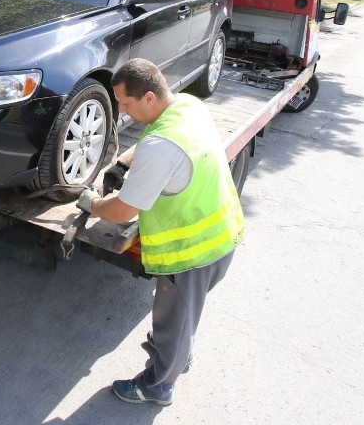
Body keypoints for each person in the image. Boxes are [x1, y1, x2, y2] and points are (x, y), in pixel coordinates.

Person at [76, 58, 245, 406]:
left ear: (149, 97)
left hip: (192, 252)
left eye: (125, 103)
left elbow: (122, 211)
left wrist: (92, 203)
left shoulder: (161, 146)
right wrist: (123, 162)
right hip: (223, 233)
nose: (120, 110)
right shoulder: (186, 106)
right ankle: (178, 350)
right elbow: (155, 137)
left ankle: (158, 386)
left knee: (173, 322)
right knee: (182, 317)